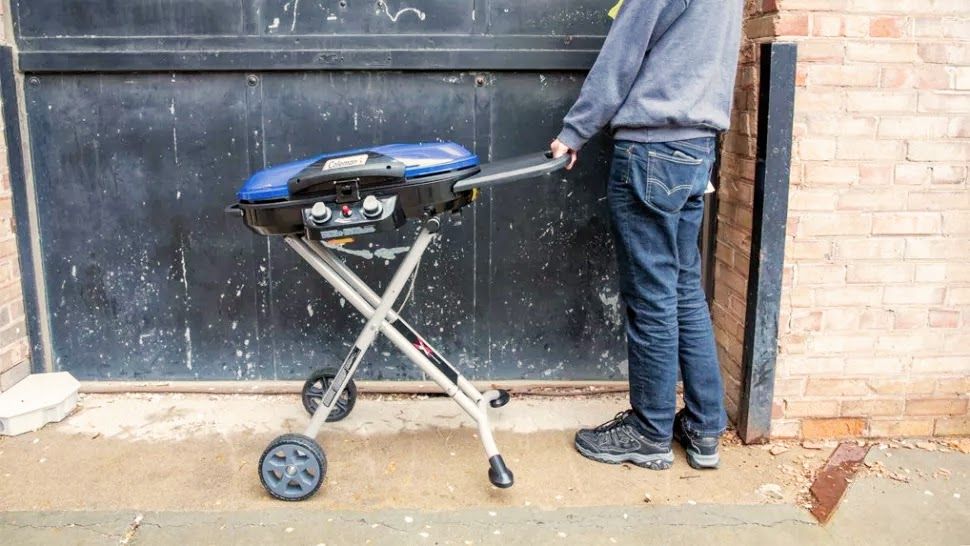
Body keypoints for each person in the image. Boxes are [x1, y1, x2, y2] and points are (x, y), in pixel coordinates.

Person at [550, 0, 742, 470]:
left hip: (652, 148)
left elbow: (624, 50)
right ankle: (703, 428)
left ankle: (649, 432)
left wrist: (575, 131)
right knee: (683, 291)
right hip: (696, 147)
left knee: (653, 297)